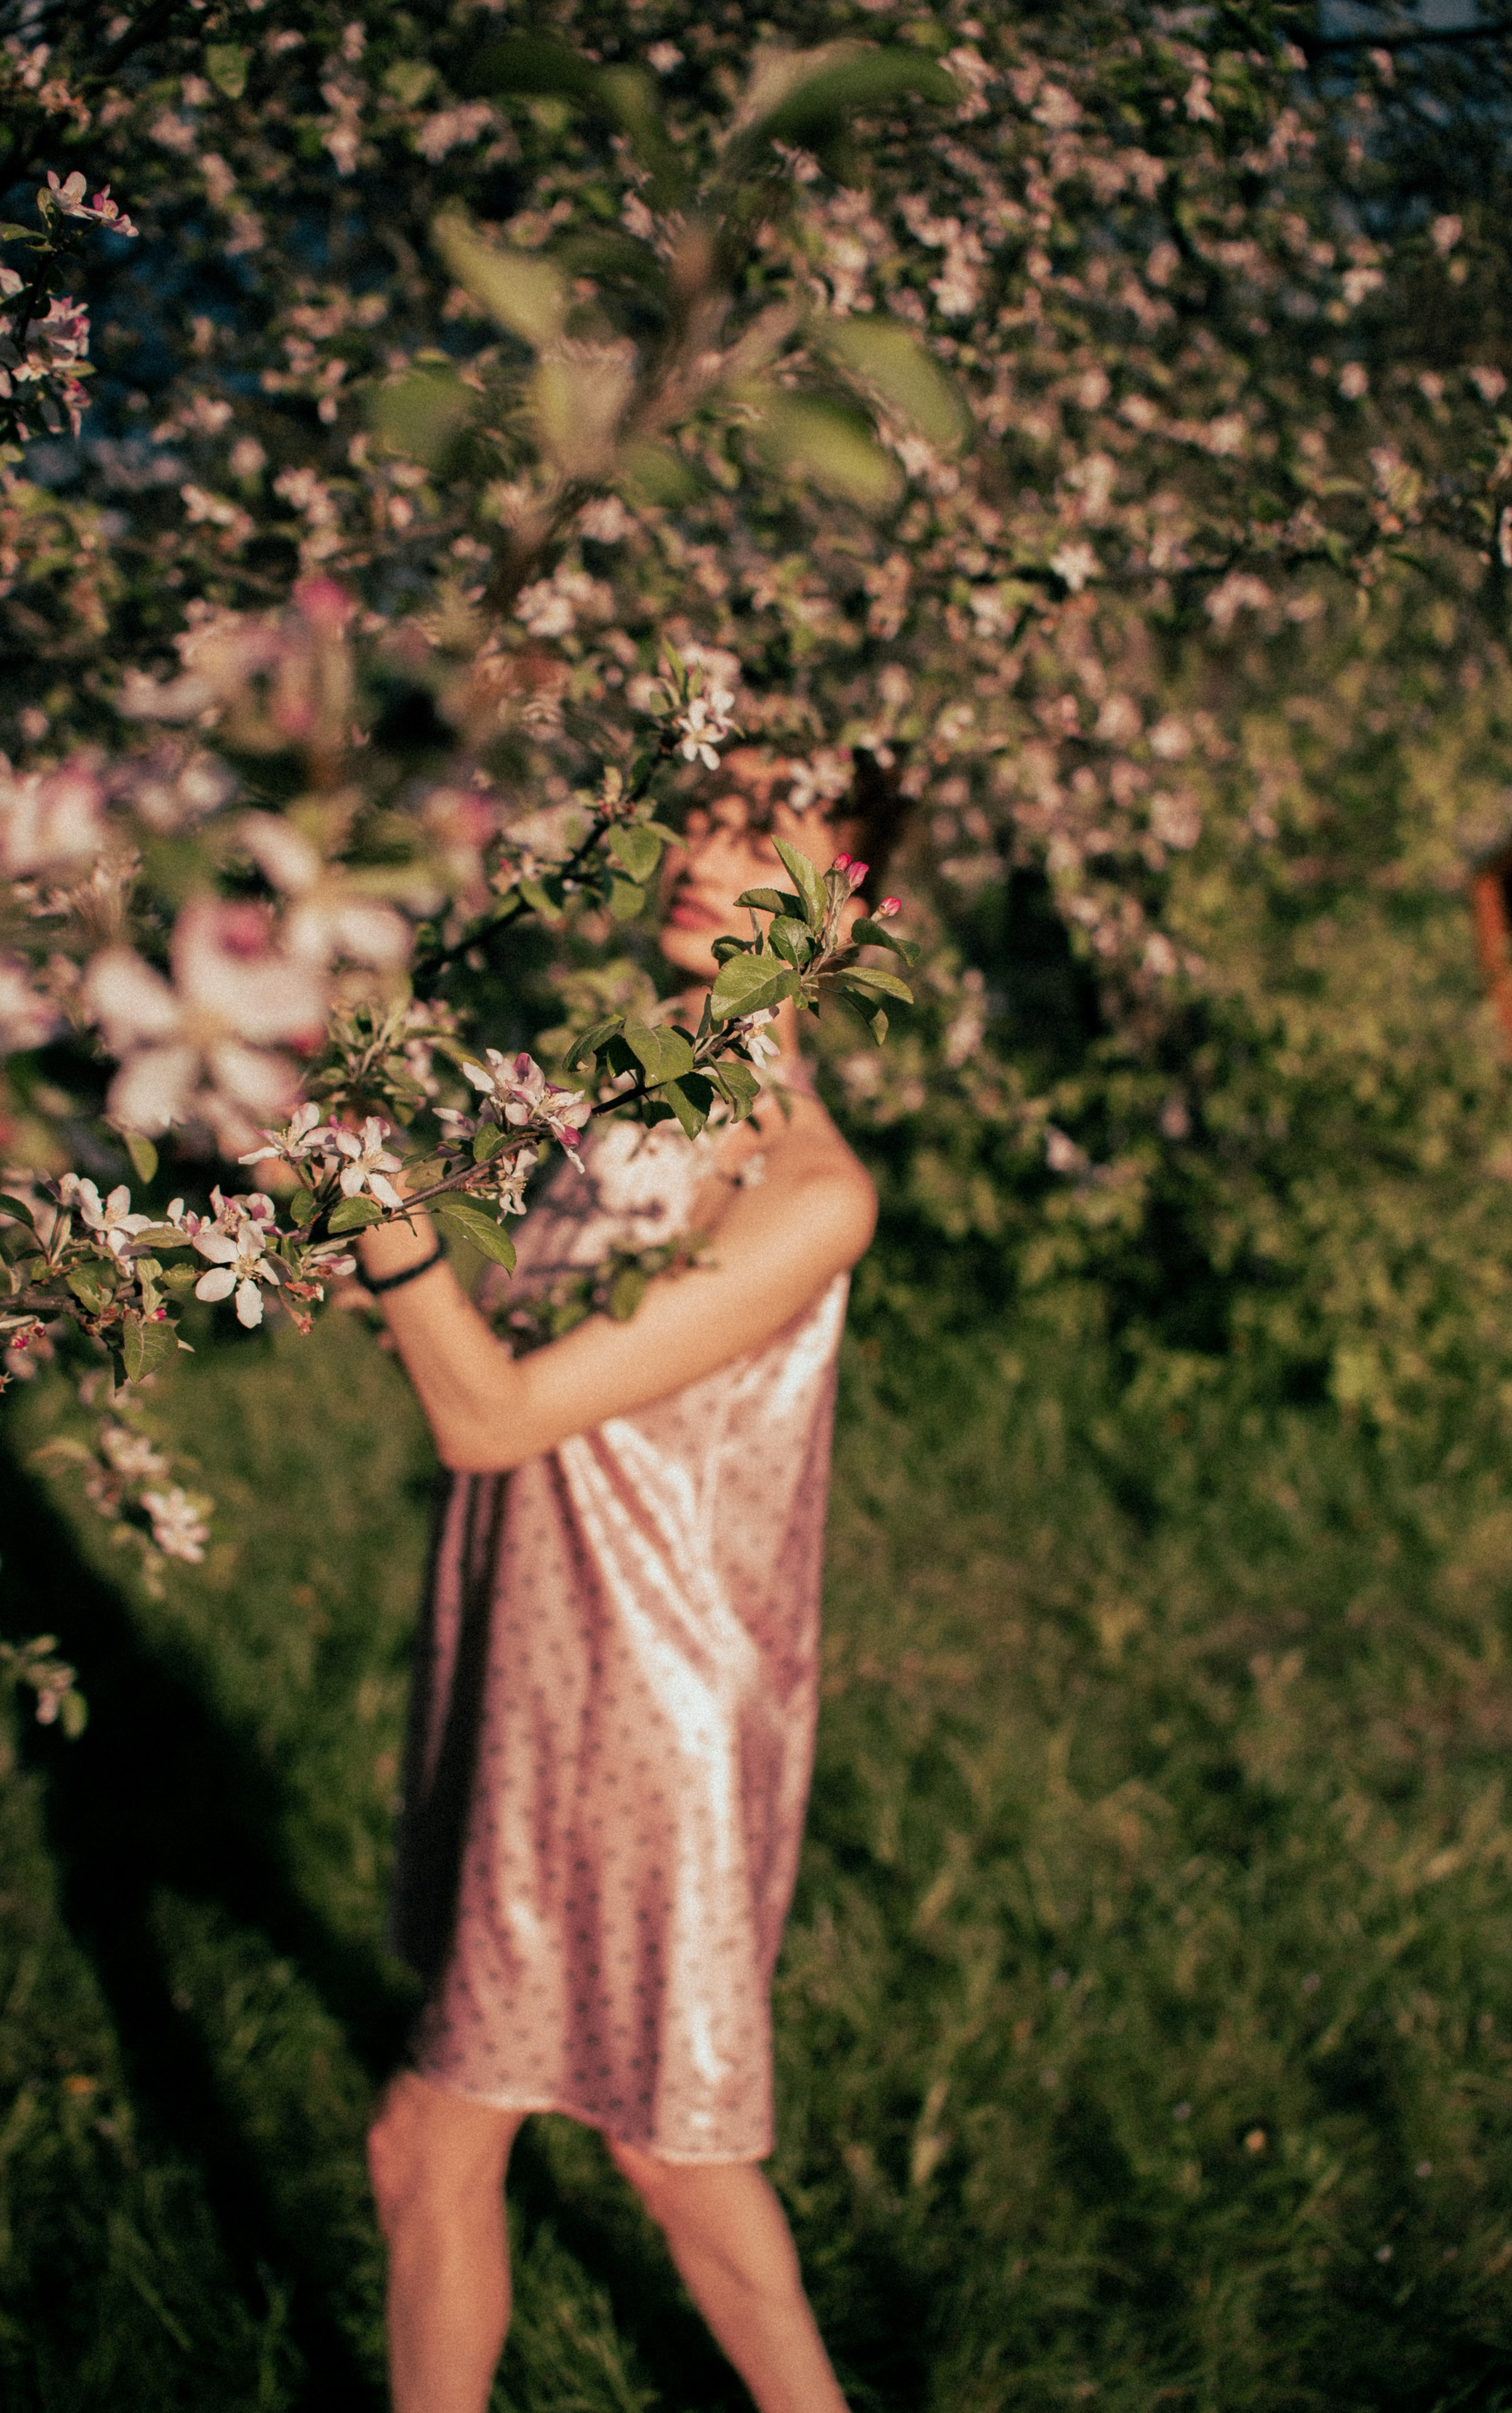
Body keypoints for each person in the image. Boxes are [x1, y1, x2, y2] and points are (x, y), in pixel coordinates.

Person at [359, 753, 895, 2413]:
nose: (705, 854)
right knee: (638, 2154)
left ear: (850, 898)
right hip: (538, 1649)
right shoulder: (629, 1101)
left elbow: (487, 1408)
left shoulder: (803, 1188)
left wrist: (353, 1181)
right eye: (705, 810)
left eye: (767, 830)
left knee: (487, 2138)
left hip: (645, 1717)